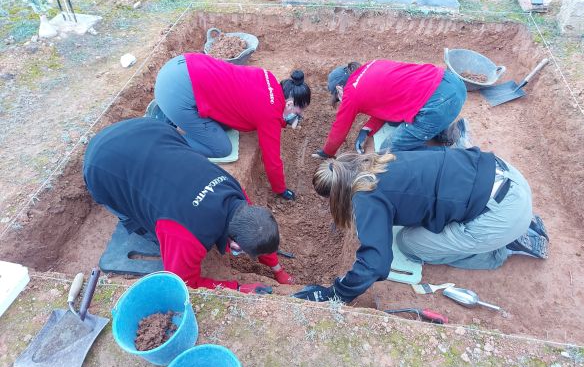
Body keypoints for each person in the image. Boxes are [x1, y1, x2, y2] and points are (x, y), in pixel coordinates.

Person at [294, 148, 549, 303]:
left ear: (337, 194)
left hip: (500, 216)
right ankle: (520, 226)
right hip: (507, 176)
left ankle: (503, 249)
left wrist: (338, 294)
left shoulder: (366, 197)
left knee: (408, 242)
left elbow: (376, 263)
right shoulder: (382, 159)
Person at [84, 118, 294, 292]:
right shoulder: (185, 236)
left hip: (146, 130)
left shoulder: (234, 192)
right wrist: (237, 288)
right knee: (142, 225)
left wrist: (278, 269)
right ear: (235, 245)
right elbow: (183, 284)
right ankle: (137, 221)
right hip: (101, 165)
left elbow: (258, 231)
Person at [147, 53, 312, 201]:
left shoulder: (267, 76)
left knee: (224, 125)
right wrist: (280, 189)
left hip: (180, 65)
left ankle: (167, 112)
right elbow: (272, 160)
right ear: (289, 103)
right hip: (175, 94)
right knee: (221, 148)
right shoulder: (269, 114)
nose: (300, 115)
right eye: (300, 111)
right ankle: (165, 136)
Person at [313, 59, 469, 159]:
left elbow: (339, 130)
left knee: (386, 152)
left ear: (339, 88)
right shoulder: (371, 65)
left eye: (337, 96)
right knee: (420, 127)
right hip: (452, 82)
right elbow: (387, 104)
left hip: (439, 104)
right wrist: (367, 129)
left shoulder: (350, 94)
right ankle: (447, 133)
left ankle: (450, 156)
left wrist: (327, 153)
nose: (339, 99)